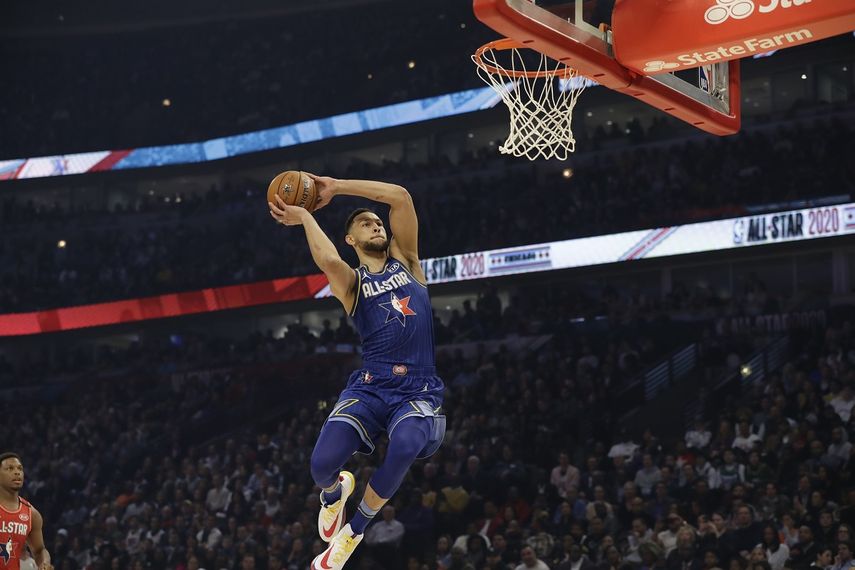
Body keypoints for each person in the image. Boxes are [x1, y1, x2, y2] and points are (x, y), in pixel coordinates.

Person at [269, 175, 446, 570]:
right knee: (320, 467)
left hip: (417, 388)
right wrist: (303, 216)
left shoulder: (409, 262)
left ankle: (353, 532)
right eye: (366, 223)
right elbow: (329, 261)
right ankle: (335, 494)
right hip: (370, 386)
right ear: (351, 239)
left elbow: (400, 196)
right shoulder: (352, 283)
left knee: (405, 446)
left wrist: (336, 186)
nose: (376, 224)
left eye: (378, 222)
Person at [0, 453, 52, 570]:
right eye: (10, 468)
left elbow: (39, 551)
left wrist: (45, 562)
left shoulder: (31, 514)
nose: (17, 472)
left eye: (20, 468)